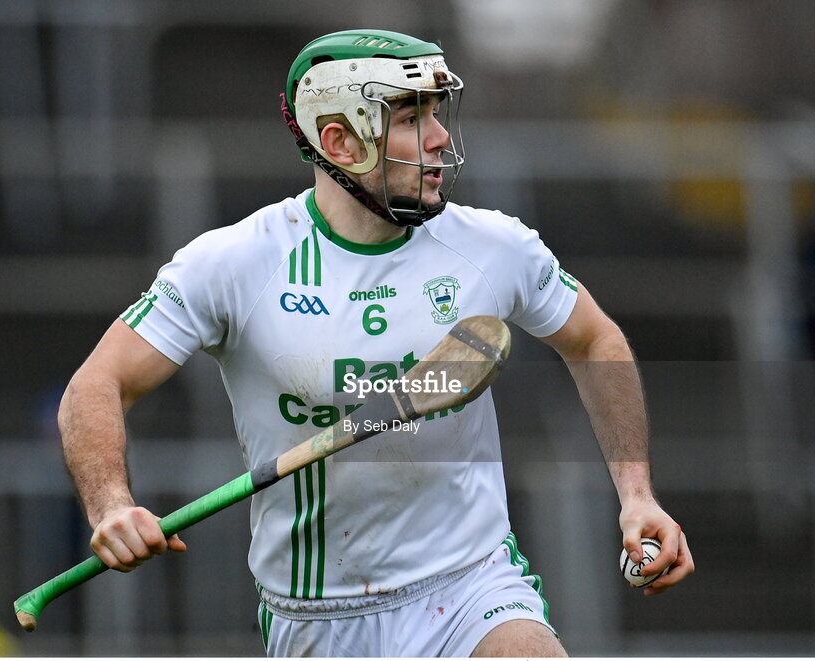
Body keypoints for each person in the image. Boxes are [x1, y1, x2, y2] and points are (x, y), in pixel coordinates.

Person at [59, 29, 694, 657]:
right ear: (339, 140)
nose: (441, 138)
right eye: (413, 119)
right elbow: (95, 385)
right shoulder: (234, 264)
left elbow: (593, 340)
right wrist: (112, 506)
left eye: (438, 114)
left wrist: (637, 496)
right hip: (315, 615)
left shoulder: (495, 248)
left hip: (469, 584)